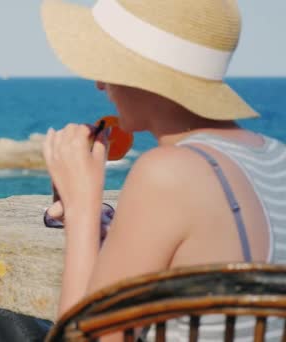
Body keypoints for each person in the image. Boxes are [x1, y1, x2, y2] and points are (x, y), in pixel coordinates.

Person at [41, 0, 286, 340]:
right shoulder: (277, 157)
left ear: (142, 73)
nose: (99, 83)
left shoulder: (166, 174)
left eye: (105, 63)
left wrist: (83, 207)